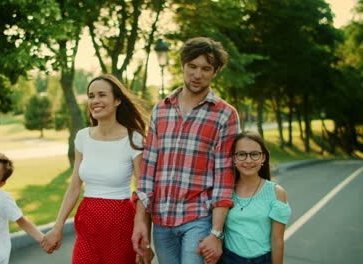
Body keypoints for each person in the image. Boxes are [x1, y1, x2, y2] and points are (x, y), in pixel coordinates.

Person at [132, 36, 240, 264]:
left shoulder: (225, 114)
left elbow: (224, 179)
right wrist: (141, 221)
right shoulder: (161, 110)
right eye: (192, 66)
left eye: (205, 68)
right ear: (183, 65)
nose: (197, 74)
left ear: (215, 72)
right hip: (161, 221)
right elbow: (147, 172)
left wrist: (216, 233)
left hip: (199, 218)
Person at [40, 74, 152, 264]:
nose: (95, 101)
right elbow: (75, 185)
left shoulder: (134, 139)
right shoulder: (83, 137)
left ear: (117, 100)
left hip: (120, 224)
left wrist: (144, 235)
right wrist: (58, 227)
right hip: (88, 221)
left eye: (101, 95)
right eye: (91, 96)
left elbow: (144, 190)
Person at [203, 130, 291, 264]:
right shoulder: (225, 191)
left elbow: (277, 240)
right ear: (233, 158)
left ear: (263, 157)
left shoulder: (277, 192)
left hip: (263, 260)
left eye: (254, 154)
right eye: (241, 154)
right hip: (229, 259)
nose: (248, 160)